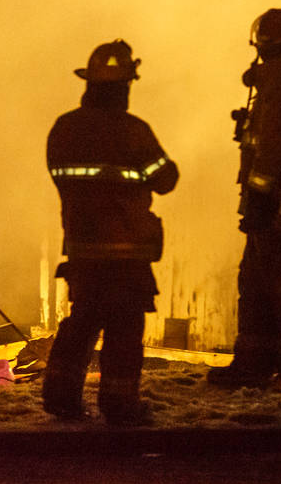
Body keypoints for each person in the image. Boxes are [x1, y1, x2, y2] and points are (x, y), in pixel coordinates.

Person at [43, 39, 179, 424]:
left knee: (81, 321)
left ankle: (60, 398)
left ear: (89, 84)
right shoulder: (133, 131)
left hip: (83, 248)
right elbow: (166, 179)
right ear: (124, 88)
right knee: (124, 328)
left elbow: (60, 177)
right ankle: (120, 406)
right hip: (128, 251)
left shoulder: (64, 128)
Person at [207, 9, 281, 390]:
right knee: (257, 283)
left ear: (263, 46)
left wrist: (258, 194)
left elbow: (274, 146)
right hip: (274, 205)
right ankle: (253, 362)